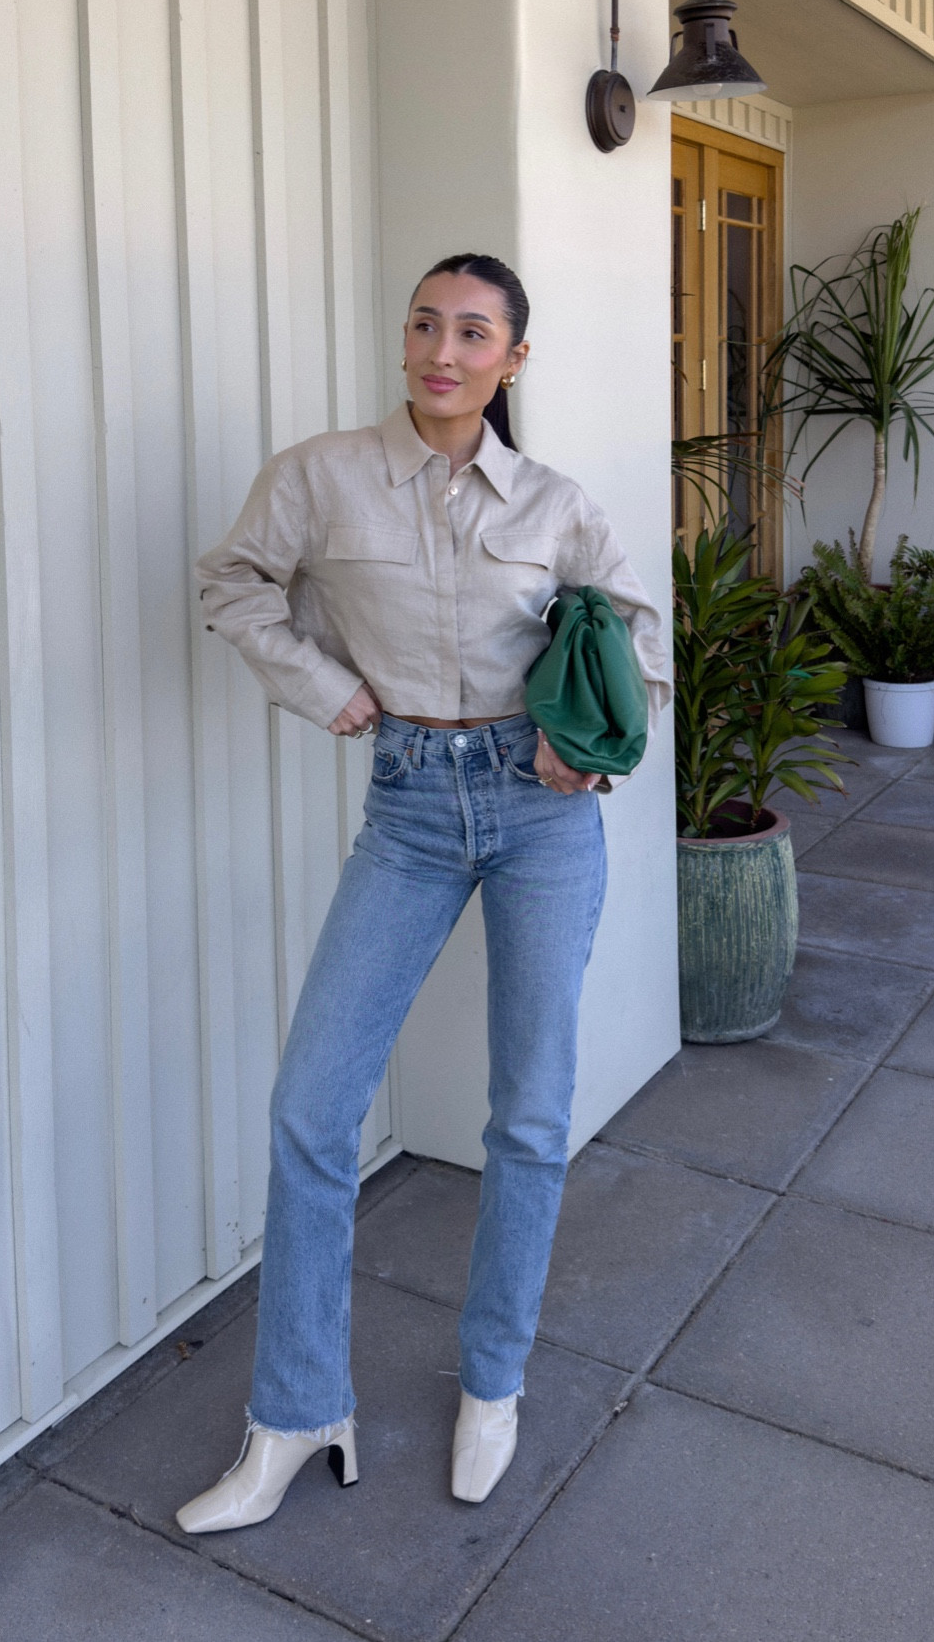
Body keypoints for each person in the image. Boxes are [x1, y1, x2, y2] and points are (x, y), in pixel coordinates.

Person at [176, 254, 669, 1534]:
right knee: (311, 1104)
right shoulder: (321, 475)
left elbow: (639, 644)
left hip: (540, 811)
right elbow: (232, 581)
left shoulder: (554, 503)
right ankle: (296, 1410)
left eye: (471, 331)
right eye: (422, 324)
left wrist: (584, 746)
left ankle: (492, 1381)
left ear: (513, 359)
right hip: (406, 803)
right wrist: (320, 684)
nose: (439, 350)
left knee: (529, 1111)